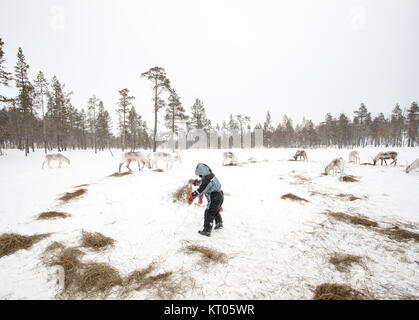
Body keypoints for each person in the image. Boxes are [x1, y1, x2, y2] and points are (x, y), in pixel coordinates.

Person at [189, 163, 224, 237]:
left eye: (199, 174)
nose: (199, 176)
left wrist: (193, 195)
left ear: (202, 172)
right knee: (215, 210)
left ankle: (207, 230)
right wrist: (196, 182)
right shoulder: (210, 175)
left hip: (214, 196)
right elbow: (204, 183)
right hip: (220, 195)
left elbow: (202, 189)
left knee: (209, 212)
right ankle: (219, 223)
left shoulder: (206, 179)